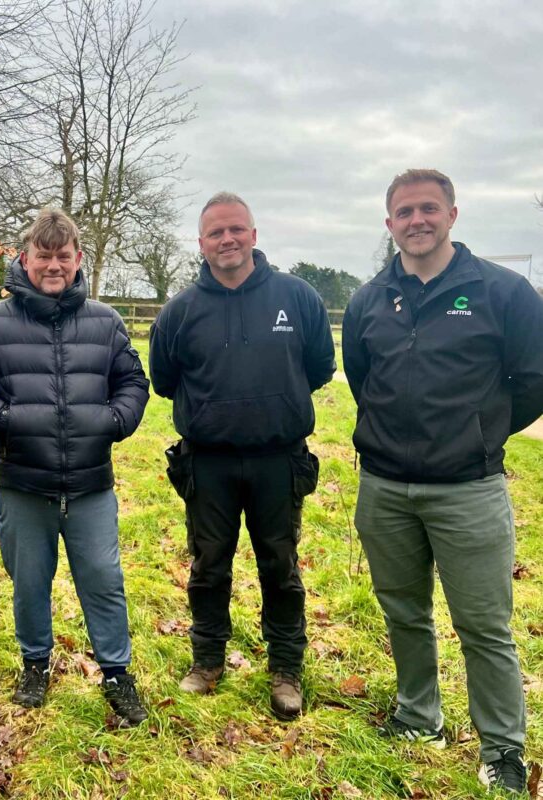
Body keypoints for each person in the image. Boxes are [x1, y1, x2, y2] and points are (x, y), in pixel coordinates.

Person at [343, 168, 543, 794]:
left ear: (452, 215)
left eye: (429, 208)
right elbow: (361, 377)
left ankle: (502, 749)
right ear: (389, 224)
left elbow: (533, 379)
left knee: (484, 626)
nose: (417, 221)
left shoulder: (504, 293)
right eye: (404, 212)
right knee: (404, 611)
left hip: (469, 490)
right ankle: (417, 716)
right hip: (384, 489)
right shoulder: (369, 300)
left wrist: (481, 433)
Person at [0, 208, 151, 725]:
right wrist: (5, 419)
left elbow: (133, 382)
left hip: (90, 484)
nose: (53, 265)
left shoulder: (105, 322)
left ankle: (116, 673)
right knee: (29, 581)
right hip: (22, 482)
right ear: (25, 258)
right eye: (43, 256)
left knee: (103, 578)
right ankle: (35, 664)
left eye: (63, 256)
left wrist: (115, 421)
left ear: (78, 259)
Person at [149, 192, 334, 720]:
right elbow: (165, 379)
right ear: (201, 243)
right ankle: (207, 660)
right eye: (216, 232)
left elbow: (319, 366)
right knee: (209, 566)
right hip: (208, 463)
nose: (227, 239)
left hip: (280, 459)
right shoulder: (180, 311)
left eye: (236, 229)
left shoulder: (297, 297)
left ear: (253, 234)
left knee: (281, 565)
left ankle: (286, 668)